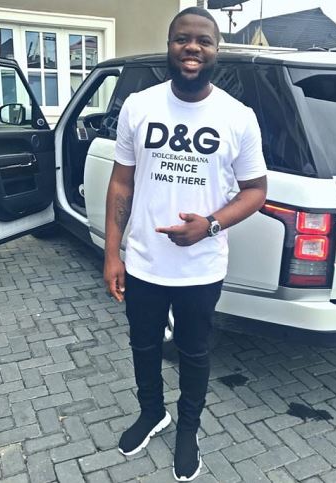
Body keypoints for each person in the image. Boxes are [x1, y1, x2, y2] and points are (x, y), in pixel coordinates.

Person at [104, 6, 267, 481]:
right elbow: (121, 183)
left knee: (195, 352)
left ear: (216, 51)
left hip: (201, 266)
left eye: (203, 41)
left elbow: (256, 191)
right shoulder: (139, 106)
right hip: (143, 262)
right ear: (169, 45)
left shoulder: (238, 117)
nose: (192, 47)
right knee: (143, 344)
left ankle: (188, 429)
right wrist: (112, 253)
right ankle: (152, 413)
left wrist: (210, 225)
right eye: (182, 38)